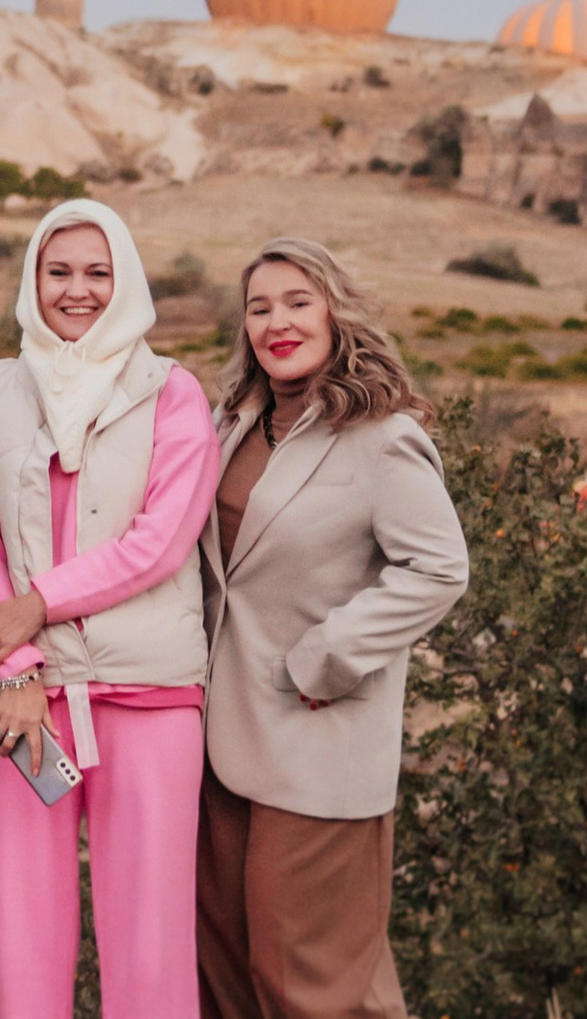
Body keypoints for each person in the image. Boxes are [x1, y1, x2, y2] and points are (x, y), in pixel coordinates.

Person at [0, 199, 221, 1019]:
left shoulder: (172, 394)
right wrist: (18, 663)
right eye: (58, 271)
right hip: (20, 702)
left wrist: (40, 605)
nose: (78, 291)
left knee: (151, 935)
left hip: (145, 695)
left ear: (127, 280)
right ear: (32, 279)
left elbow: (161, 541)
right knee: (20, 931)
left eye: (98, 273)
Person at [195, 239, 470, 1019]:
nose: (277, 321)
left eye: (297, 301)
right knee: (227, 976)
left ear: (335, 311)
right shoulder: (231, 426)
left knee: (310, 986)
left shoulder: (382, 439)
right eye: (259, 308)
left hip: (317, 744)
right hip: (217, 748)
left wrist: (328, 658)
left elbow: (441, 569)